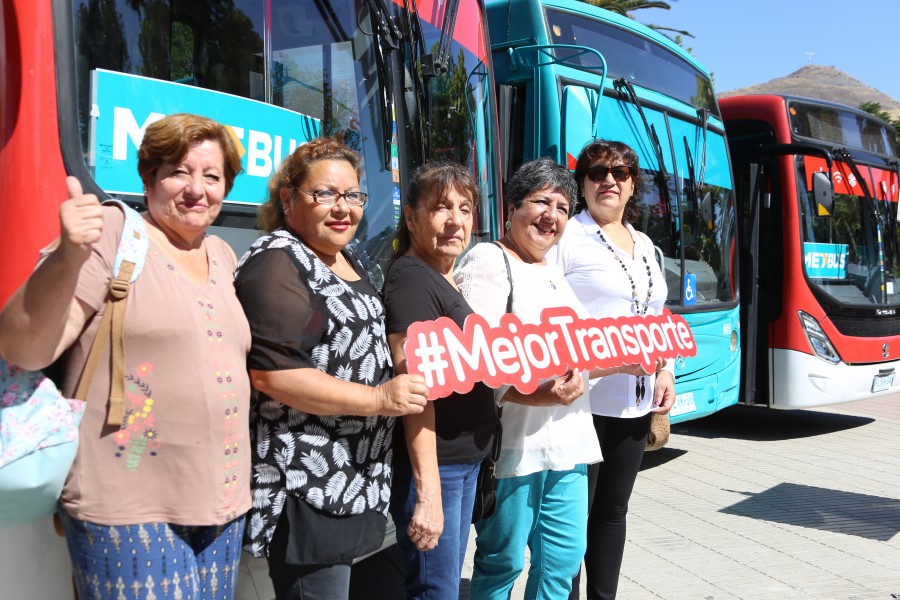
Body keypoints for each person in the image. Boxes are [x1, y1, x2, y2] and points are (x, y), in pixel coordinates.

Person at [0, 113, 251, 599]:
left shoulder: (221, 254)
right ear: (148, 178)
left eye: (212, 176)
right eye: (179, 171)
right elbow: (23, 349)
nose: (196, 189)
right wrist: (69, 255)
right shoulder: (116, 234)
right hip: (129, 508)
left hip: (223, 505)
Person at [233, 137, 429, 600]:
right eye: (324, 194)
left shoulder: (349, 254)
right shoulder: (277, 261)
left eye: (353, 196)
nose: (342, 208)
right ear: (287, 199)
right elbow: (272, 374)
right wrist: (380, 399)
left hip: (349, 480)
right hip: (306, 484)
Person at [454, 157, 602, 600]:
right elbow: (477, 360)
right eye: (540, 201)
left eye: (561, 206)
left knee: (562, 564)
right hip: (516, 448)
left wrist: (627, 362)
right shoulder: (488, 260)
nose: (550, 215)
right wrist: (538, 395)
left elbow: (580, 354)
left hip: (570, 444)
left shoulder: (554, 271)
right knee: (501, 564)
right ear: (512, 209)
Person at [552, 139, 676, 600]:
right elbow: (548, 317)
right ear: (582, 183)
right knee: (571, 520)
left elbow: (656, 316)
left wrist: (665, 369)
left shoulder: (644, 243)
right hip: (580, 402)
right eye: (598, 172)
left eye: (620, 173)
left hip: (635, 403)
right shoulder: (567, 237)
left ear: (631, 184)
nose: (609, 180)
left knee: (612, 512)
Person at [381, 162, 498, 599]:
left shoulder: (442, 274)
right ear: (411, 218)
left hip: (461, 463)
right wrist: (428, 494)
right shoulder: (412, 279)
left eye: (465, 209)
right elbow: (414, 389)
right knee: (436, 591)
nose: (456, 221)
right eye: (441, 208)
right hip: (439, 469)